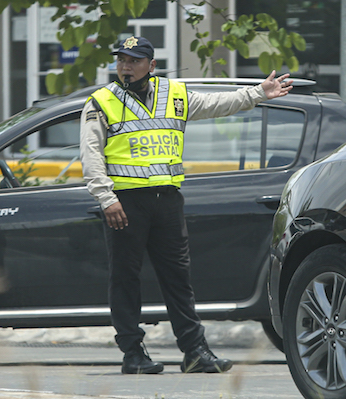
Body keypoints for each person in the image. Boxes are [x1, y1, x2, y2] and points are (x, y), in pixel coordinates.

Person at [79, 35, 294, 374]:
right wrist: (106, 198)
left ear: (151, 66)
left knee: (178, 278)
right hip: (125, 203)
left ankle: (195, 351)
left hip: (167, 201)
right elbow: (91, 157)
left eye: (133, 61)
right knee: (125, 278)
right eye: (121, 60)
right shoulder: (101, 101)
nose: (125, 66)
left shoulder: (173, 95)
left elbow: (215, 104)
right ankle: (133, 353)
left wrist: (257, 93)